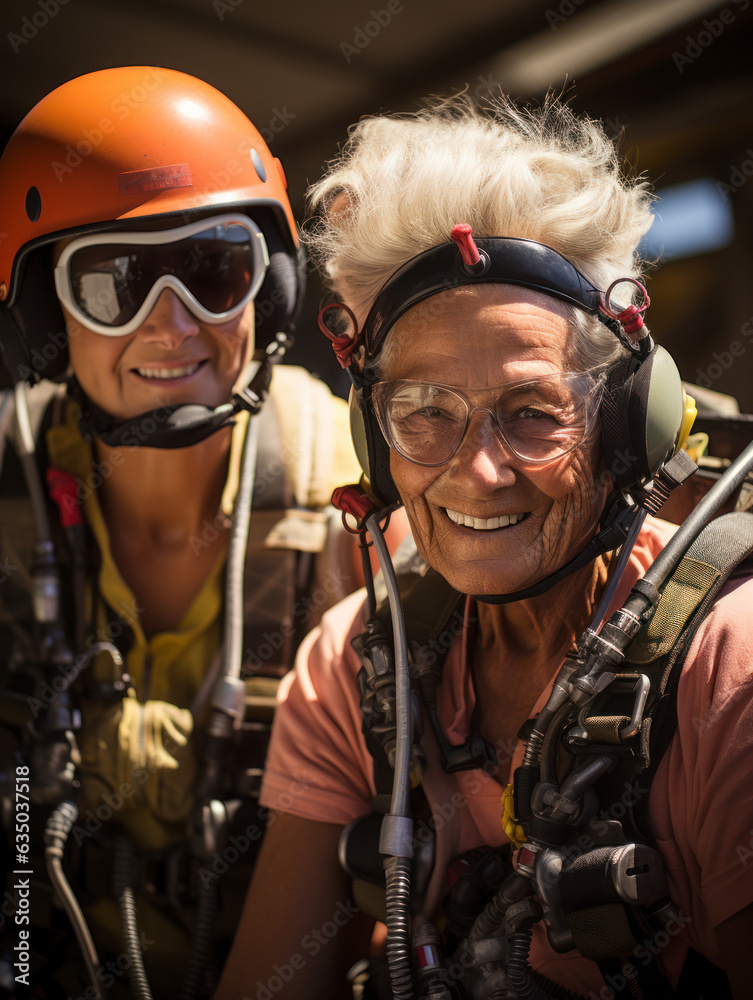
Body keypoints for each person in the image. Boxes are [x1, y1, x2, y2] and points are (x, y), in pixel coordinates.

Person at [217, 95, 753, 1000]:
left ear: (626, 425)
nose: (478, 471)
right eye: (423, 413)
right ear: (371, 438)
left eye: (533, 413)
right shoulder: (354, 663)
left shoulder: (727, 673)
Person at [0, 66, 366, 999]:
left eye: (213, 269)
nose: (173, 327)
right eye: (113, 282)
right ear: (47, 319)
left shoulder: (360, 497)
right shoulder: (10, 494)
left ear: (271, 288)